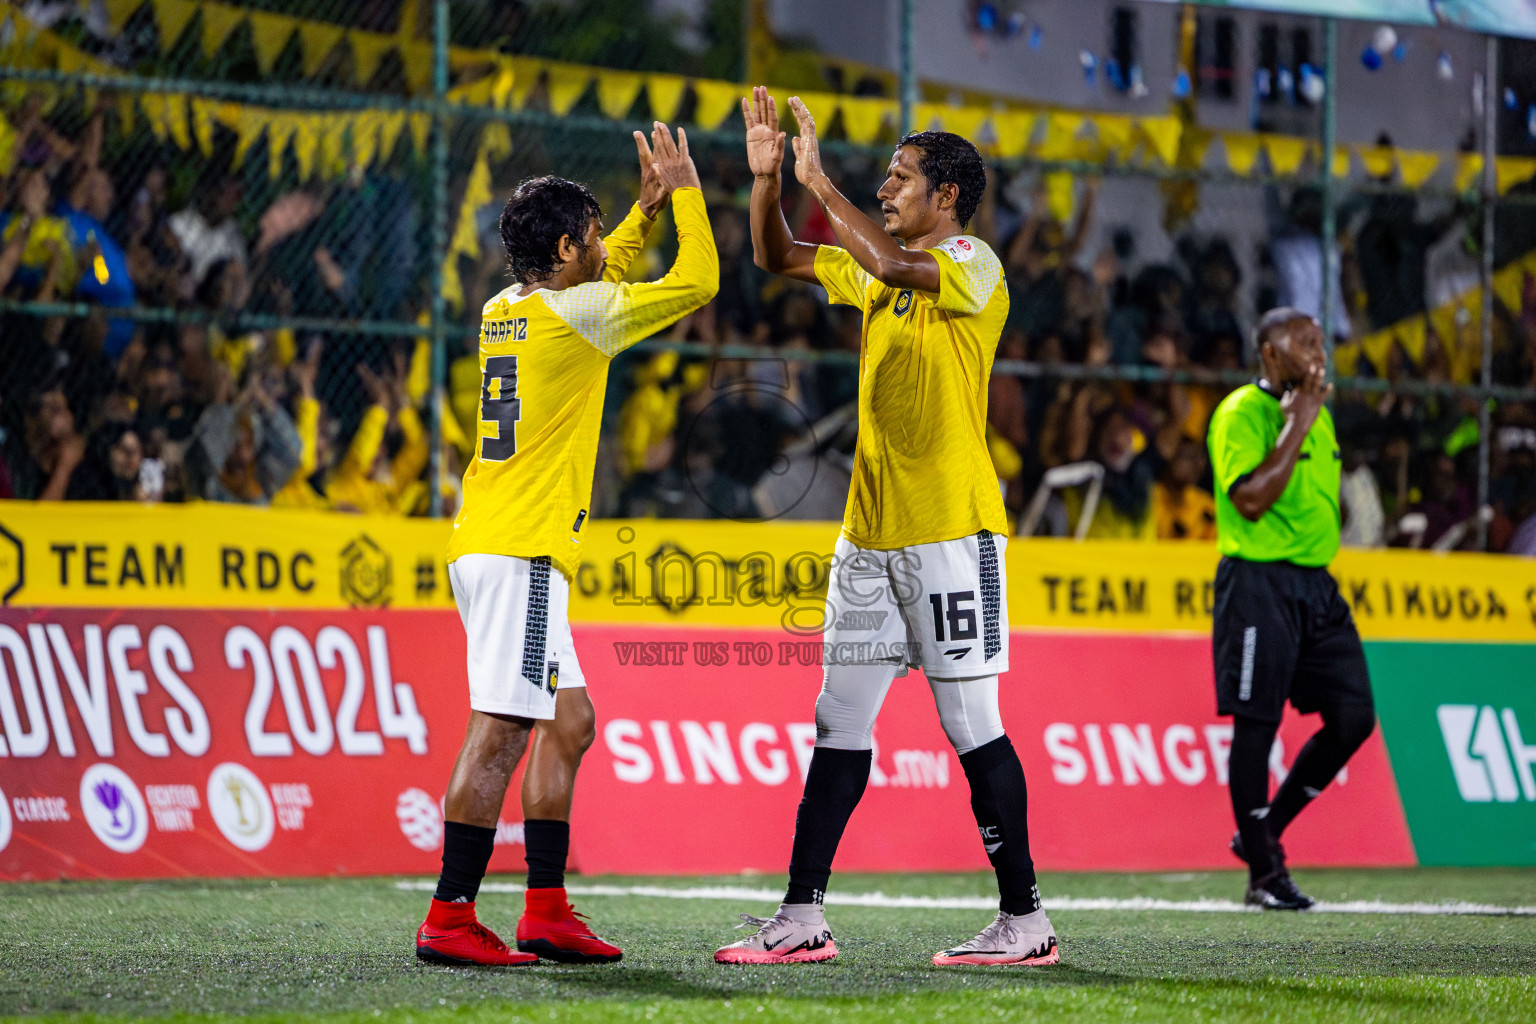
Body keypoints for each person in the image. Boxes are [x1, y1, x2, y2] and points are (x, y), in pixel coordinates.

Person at [715, 88, 1056, 968]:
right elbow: (776, 253)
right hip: (868, 535)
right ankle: (801, 917)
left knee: (970, 719)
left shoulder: (973, 262)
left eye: (900, 179)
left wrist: (821, 184)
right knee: (840, 720)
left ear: (945, 195)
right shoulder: (873, 261)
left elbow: (903, 270)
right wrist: (767, 182)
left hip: (950, 530)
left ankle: (1025, 921)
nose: (886, 191)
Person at [415, 123, 717, 967]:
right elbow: (700, 282)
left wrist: (637, 217)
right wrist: (686, 193)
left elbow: (598, 270)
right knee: (503, 729)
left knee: (570, 721)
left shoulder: (506, 309)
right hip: (521, 552)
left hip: (494, 537)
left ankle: (544, 910)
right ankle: (448, 918)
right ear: (563, 245)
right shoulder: (576, 315)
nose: (599, 247)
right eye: (588, 235)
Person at [1206, 308, 1377, 910]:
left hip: (1316, 590)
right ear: (1270, 354)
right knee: (1258, 725)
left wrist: (1308, 419)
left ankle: (1262, 834)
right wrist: (1297, 424)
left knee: (1355, 715)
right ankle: (1264, 874)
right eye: (1303, 341)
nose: (1318, 348)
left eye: (1320, 338)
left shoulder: (1318, 416)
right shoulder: (1241, 413)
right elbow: (1250, 500)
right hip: (1258, 583)